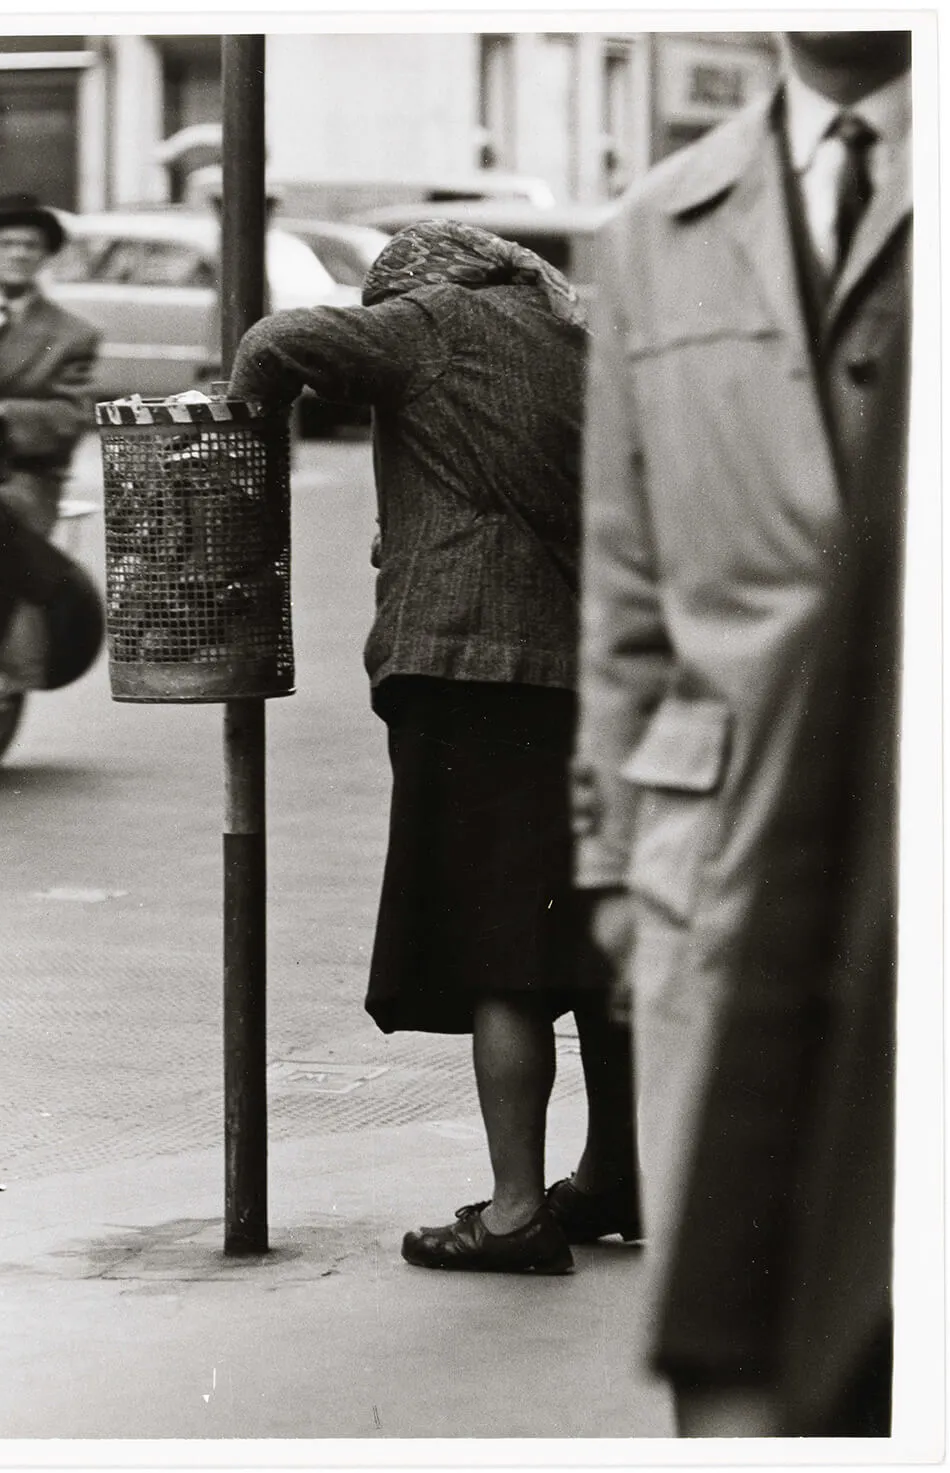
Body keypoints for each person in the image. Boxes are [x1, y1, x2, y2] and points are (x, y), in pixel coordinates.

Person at [574, 27, 910, 1429]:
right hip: (717, 853)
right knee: (743, 1331)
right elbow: (622, 574)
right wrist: (604, 855)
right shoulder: (655, 227)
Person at [229, 219, 640, 1273]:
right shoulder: (573, 334)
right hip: (588, 672)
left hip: (469, 672)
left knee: (503, 951)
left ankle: (512, 1214)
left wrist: (244, 462)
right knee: (592, 940)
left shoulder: (435, 320)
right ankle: (613, 1175)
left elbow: (278, 340)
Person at [0, 193, 102, 685]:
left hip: (19, 475)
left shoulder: (72, 333)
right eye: (5, 242)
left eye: (29, 245)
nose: (17, 253)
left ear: (44, 256)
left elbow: (70, 415)